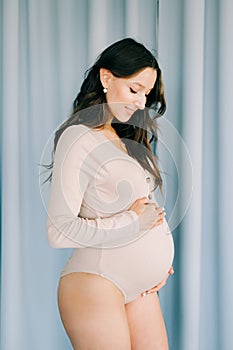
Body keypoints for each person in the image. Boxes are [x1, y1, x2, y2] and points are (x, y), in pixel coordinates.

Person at [46, 38, 174, 350]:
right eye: (135, 89)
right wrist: (132, 221)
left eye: (146, 94)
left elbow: (147, 211)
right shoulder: (78, 137)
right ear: (107, 78)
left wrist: (159, 262)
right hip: (96, 280)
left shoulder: (124, 140)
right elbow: (58, 231)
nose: (141, 103)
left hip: (141, 288)